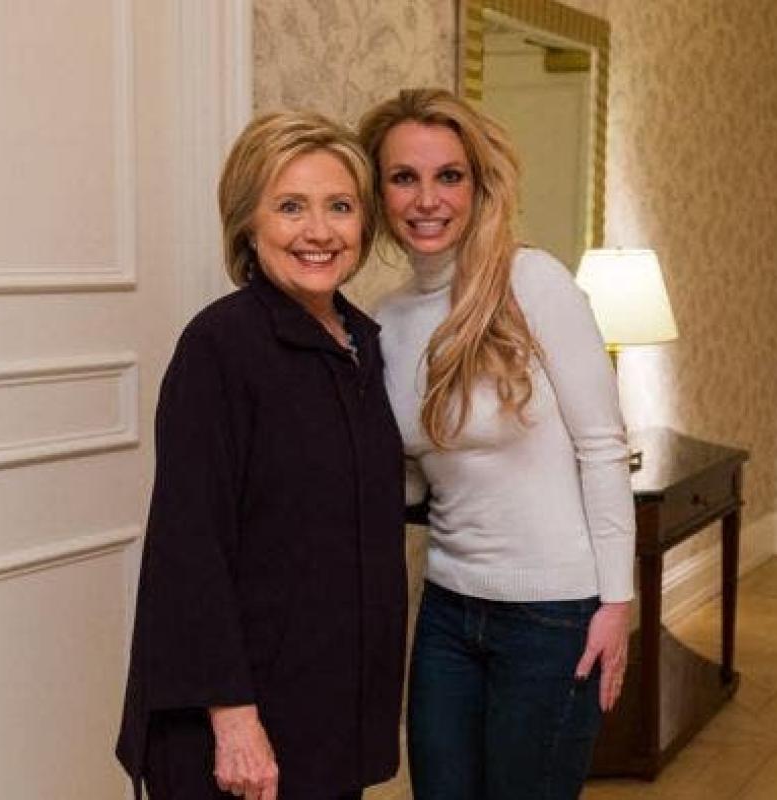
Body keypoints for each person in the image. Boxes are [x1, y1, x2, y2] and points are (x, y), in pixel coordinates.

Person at [115, 111, 407, 800]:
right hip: (243, 719)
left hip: (328, 708)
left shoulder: (363, 345)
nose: (319, 231)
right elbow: (189, 546)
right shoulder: (221, 347)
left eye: (340, 207)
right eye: (291, 207)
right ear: (249, 222)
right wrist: (235, 720)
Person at [359, 88, 635, 800]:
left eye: (448, 176)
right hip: (448, 609)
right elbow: (417, 474)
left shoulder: (531, 282)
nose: (427, 199)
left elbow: (603, 447)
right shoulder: (385, 320)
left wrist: (616, 603)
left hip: (554, 613)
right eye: (404, 177)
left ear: (478, 186)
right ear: (379, 193)